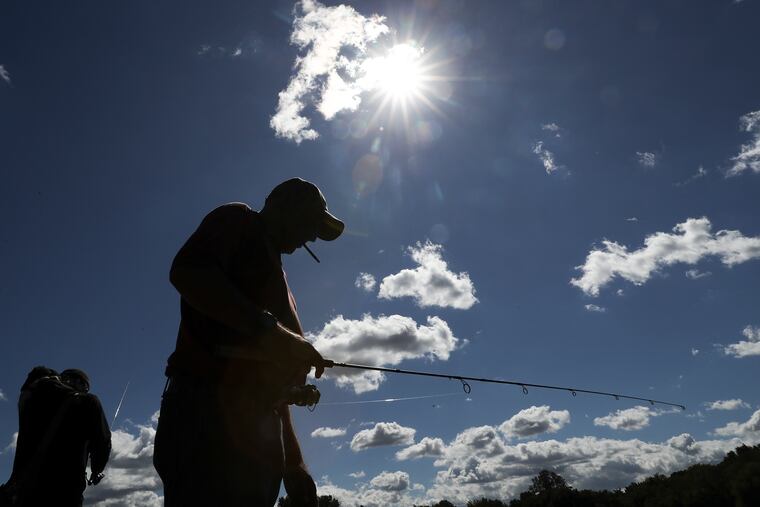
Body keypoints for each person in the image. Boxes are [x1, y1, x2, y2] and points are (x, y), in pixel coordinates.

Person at [154, 178, 344, 506]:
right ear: (282, 207)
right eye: (310, 222)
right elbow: (187, 272)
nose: (312, 235)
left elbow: (274, 386)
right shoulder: (237, 219)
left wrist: (293, 462)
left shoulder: (283, 285)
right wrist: (276, 335)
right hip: (206, 413)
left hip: (260, 428)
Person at [1, 367, 111, 507]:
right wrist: (96, 470)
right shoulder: (88, 401)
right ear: (83, 385)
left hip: (24, 491)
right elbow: (103, 443)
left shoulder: (33, 400)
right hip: (65, 492)